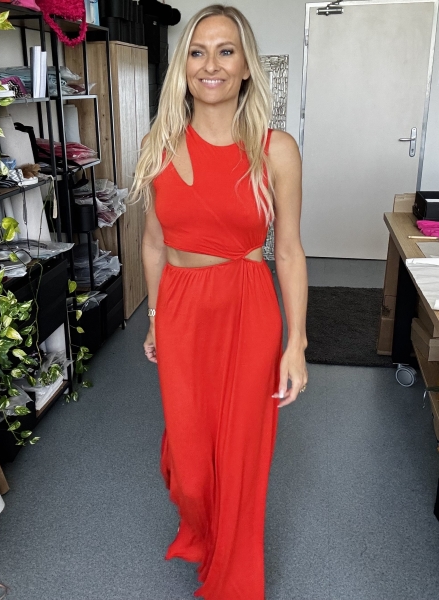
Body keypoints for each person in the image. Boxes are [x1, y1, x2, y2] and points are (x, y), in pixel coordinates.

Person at [130, 5, 308, 599]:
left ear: (247, 65)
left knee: (239, 455)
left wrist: (296, 342)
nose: (212, 64)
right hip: (181, 309)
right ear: (183, 67)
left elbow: (289, 252)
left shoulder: (275, 150)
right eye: (198, 51)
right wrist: (154, 317)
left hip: (247, 307)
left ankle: (234, 578)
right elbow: (153, 244)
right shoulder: (158, 145)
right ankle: (202, 528)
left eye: (226, 50)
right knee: (189, 466)